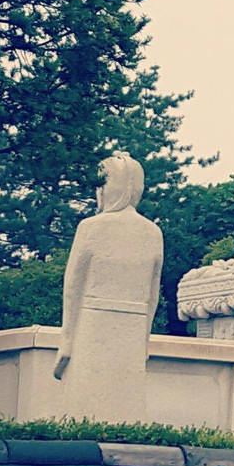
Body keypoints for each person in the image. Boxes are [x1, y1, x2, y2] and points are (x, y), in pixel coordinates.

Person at [54, 152, 163, 422]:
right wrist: (144, 339)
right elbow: (152, 296)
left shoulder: (90, 227)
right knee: (125, 407)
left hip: (92, 325)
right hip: (133, 329)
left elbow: (72, 288)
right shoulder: (153, 232)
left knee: (84, 408)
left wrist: (67, 340)